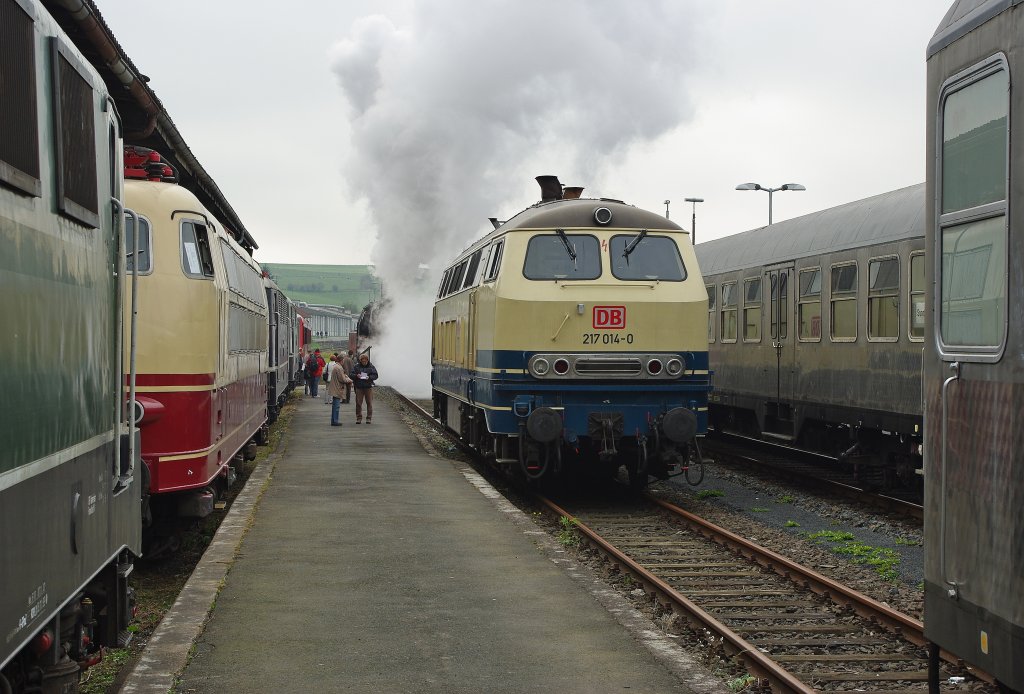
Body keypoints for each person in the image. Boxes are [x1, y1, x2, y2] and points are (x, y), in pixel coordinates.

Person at [350, 352, 378, 424]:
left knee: (369, 403)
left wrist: (369, 377)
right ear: (360, 360)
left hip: (368, 387)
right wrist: (356, 375)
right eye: (362, 361)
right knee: (358, 403)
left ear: (367, 360)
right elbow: (351, 374)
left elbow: (376, 375)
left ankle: (369, 418)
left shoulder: (371, 367)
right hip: (359, 387)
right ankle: (359, 418)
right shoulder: (356, 367)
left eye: (365, 361)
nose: (364, 362)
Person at [326, 357, 353, 426]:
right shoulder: (339, 368)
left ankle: (334, 420)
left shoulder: (336, 366)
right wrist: (349, 380)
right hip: (338, 388)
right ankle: (335, 421)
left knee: (335, 405)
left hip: (335, 387)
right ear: (342, 360)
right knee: (336, 406)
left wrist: (344, 376)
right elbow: (342, 379)